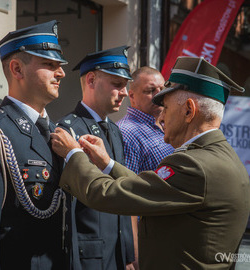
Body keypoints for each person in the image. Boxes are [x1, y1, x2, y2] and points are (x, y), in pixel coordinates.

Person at [51, 56, 250, 269]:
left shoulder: (195, 165)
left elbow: (110, 194)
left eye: (166, 107)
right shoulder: (221, 157)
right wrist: (108, 164)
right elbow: (149, 188)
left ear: (189, 110)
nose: (161, 117)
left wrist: (74, 155)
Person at [0, 21, 73, 270]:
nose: (61, 73)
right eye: (50, 65)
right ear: (17, 69)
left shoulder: (61, 131)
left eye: (59, 66)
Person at [57, 46, 135, 270]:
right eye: (118, 84)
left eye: (126, 85)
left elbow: (121, 193)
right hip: (89, 257)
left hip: (117, 255)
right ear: (91, 80)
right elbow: (68, 206)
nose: (125, 92)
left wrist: (128, 253)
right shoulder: (69, 129)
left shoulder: (115, 130)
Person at [116, 66, 174, 269]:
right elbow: (126, 195)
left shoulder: (163, 127)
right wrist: (132, 255)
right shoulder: (128, 132)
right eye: (150, 91)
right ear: (131, 95)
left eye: (162, 88)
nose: (159, 96)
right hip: (145, 240)